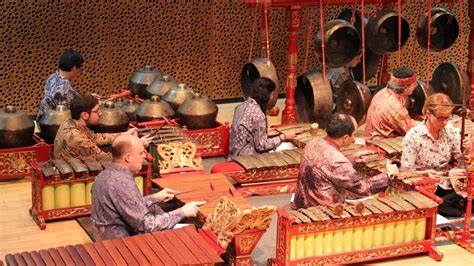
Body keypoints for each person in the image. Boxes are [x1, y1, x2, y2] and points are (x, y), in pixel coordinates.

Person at [91, 134, 205, 240]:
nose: (145, 156)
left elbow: (128, 205)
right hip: (118, 243)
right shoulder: (121, 182)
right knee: (190, 234)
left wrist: (155, 198)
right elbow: (147, 225)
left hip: (105, 234)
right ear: (128, 157)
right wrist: (182, 212)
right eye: (141, 153)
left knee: (158, 210)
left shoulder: (104, 174)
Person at [294, 113, 399, 208]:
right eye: (353, 134)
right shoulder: (338, 162)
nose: (354, 139)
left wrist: (351, 159)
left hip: (302, 202)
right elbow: (364, 188)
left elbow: (325, 164)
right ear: (345, 138)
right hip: (324, 211)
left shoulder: (312, 143)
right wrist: (389, 174)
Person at [402, 93, 471, 216]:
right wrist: (425, 173)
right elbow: (405, 172)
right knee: (439, 206)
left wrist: (467, 150)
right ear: (428, 113)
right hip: (423, 187)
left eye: (447, 117)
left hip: (445, 185)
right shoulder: (413, 136)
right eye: (440, 117)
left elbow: (462, 163)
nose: (444, 122)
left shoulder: (451, 132)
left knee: (466, 197)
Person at [53, 93, 151, 160]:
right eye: (96, 111)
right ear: (84, 115)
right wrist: (138, 145)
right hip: (71, 176)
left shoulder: (69, 122)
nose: (100, 113)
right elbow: (107, 159)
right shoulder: (77, 139)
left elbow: (96, 138)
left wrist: (124, 135)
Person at [230, 77, 295, 156]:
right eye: (272, 94)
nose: (272, 97)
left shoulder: (241, 106)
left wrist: (264, 132)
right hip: (245, 156)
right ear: (266, 95)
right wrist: (283, 137)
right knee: (290, 147)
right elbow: (261, 146)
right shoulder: (258, 114)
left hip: (235, 151)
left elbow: (247, 130)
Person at [364, 67, 418, 141]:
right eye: (414, 84)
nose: (416, 86)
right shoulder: (396, 108)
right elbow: (412, 131)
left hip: (372, 135)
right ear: (405, 87)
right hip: (379, 143)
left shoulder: (383, 91)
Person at [37, 49, 84, 121]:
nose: (79, 72)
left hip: (44, 120)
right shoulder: (63, 86)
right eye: (79, 68)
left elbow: (71, 96)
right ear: (74, 68)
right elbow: (67, 112)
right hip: (53, 124)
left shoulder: (53, 77)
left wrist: (88, 97)